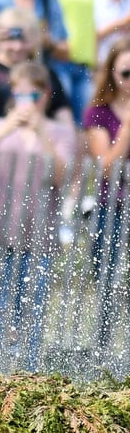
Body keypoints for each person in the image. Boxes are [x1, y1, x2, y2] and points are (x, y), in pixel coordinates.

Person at [0, 60, 75, 372]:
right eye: (20, 94)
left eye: (33, 95)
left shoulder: (60, 132)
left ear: (46, 96)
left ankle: (28, 373)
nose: (27, 102)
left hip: (37, 235)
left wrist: (41, 133)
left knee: (31, 312)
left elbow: (62, 175)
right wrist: (7, 128)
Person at [83, 36, 130, 347]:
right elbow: (107, 168)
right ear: (112, 74)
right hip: (111, 209)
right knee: (106, 282)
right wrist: (126, 132)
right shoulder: (98, 114)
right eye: (126, 72)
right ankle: (102, 347)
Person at [0, 6, 74, 134]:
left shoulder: (44, 73)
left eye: (24, 40)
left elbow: (66, 123)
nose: (17, 47)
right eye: (10, 39)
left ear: (34, 40)